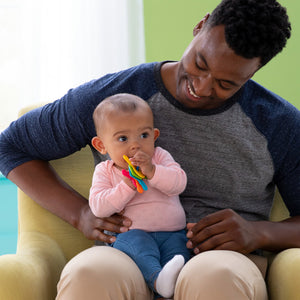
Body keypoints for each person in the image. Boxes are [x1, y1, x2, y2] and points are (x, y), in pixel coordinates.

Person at [0, 0, 299, 299]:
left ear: (254, 71)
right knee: (88, 275)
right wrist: (80, 214)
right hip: (127, 248)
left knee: (215, 278)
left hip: (222, 259)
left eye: (226, 84)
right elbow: (10, 146)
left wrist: (259, 232)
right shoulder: (118, 97)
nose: (202, 87)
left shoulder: (277, 123)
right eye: (200, 63)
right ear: (199, 26)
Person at [89, 93, 190, 298]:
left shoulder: (160, 157)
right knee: (138, 247)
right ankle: (156, 278)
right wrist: (126, 186)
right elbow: (98, 206)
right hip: (132, 234)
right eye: (123, 138)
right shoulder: (105, 170)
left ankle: (166, 287)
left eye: (143, 135)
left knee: (179, 257)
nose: (136, 145)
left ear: (154, 135)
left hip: (173, 233)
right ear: (102, 145)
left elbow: (179, 183)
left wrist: (152, 171)